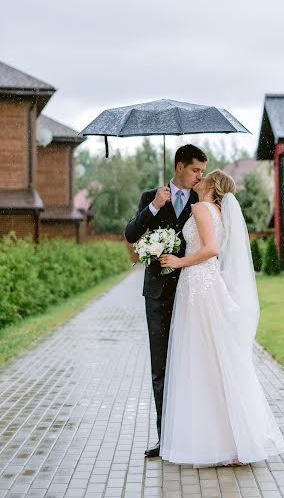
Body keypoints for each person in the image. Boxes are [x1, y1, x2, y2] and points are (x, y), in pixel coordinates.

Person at [158, 169, 284, 466]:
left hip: (199, 285)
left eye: (204, 176)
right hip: (206, 284)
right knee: (218, 360)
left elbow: (211, 249)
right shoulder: (218, 211)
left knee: (205, 361)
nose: (198, 179)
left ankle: (226, 440)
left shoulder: (202, 208)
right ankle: (236, 439)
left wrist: (178, 261)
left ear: (212, 186)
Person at [124, 144, 207, 457]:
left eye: (201, 171)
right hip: (157, 295)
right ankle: (165, 438)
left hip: (191, 293)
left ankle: (193, 433)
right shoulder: (151, 197)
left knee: (191, 364)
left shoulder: (201, 199)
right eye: (195, 170)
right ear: (179, 166)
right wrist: (156, 207)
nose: (199, 176)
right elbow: (131, 234)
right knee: (161, 367)